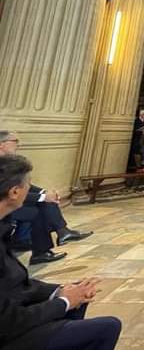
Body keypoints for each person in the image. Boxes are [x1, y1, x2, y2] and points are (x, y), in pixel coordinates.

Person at [0, 154, 122, 350]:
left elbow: (15, 282)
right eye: (28, 184)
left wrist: (60, 290)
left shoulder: (4, 225)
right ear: (14, 191)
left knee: (79, 300)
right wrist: (63, 302)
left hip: (13, 313)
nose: (30, 188)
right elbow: (7, 321)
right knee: (107, 327)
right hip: (8, 333)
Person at [0, 132, 92, 265]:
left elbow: (24, 185)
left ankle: (57, 237)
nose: (18, 144)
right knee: (41, 207)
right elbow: (11, 191)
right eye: (15, 141)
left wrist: (44, 193)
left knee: (45, 202)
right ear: (2, 144)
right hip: (5, 205)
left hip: (12, 201)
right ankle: (56, 238)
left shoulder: (8, 162)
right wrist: (43, 197)